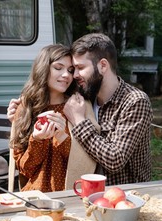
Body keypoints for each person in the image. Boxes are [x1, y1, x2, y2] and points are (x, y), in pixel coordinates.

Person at [63, 33, 153, 186]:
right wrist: (21, 111)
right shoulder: (85, 97)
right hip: (87, 193)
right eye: (74, 69)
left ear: (103, 65)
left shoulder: (135, 101)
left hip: (125, 197)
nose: (75, 75)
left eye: (80, 67)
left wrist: (79, 122)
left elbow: (114, 159)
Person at [9, 44, 99, 192]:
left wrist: (62, 136)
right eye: (58, 68)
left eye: (70, 70)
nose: (66, 75)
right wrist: (37, 140)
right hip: (36, 194)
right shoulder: (26, 107)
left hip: (71, 192)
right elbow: (25, 169)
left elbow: (84, 162)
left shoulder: (78, 105)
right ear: (43, 68)